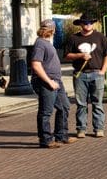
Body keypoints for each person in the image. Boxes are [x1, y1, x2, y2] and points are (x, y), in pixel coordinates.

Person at [31, 19, 76, 148]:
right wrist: (49, 81)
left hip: (57, 81)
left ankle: (61, 135)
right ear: (53, 30)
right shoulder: (40, 44)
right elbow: (36, 64)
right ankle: (45, 139)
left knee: (64, 106)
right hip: (46, 82)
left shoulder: (46, 43)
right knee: (46, 111)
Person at [65, 15, 107, 138]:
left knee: (98, 103)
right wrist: (80, 56)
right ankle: (81, 129)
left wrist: (103, 70)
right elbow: (67, 55)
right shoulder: (73, 38)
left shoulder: (100, 37)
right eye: (85, 23)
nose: (88, 25)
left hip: (97, 73)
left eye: (90, 23)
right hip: (80, 74)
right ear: (80, 24)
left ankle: (99, 128)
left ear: (93, 24)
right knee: (81, 104)